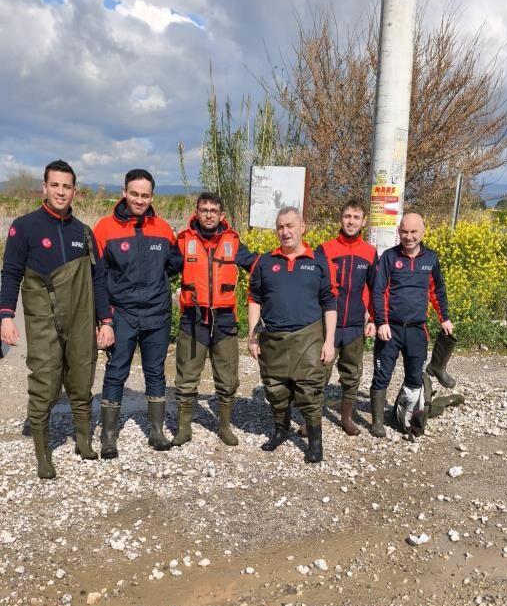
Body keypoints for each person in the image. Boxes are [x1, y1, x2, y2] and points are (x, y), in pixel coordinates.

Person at [0, 160, 114, 479]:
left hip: (80, 316)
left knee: (81, 376)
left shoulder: (84, 233)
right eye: (55, 185)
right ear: (44, 186)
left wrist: (105, 320)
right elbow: (10, 274)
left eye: (67, 186)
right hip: (42, 317)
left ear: (74, 191)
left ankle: (82, 441)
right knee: (45, 382)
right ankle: (42, 453)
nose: (61, 192)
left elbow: (99, 279)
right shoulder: (23, 227)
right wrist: (6, 316)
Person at [93, 169, 183, 458]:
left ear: (152, 196)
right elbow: (97, 276)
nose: (139, 200)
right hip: (122, 313)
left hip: (157, 312)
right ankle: (109, 436)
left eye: (145, 195)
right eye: (134, 193)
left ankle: (156, 431)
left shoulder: (164, 229)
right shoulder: (105, 228)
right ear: (124, 192)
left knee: (155, 371)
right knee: (116, 371)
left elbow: (174, 264)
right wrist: (104, 318)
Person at [248, 207, 337, 463]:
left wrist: (329, 341)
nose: (284, 232)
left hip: (308, 336)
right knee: (275, 390)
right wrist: (252, 336)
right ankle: (280, 430)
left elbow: (329, 302)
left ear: (302, 227)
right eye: (280, 227)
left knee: (310, 391)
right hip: (272, 338)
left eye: (289, 226)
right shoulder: (265, 262)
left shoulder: (318, 261)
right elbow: (254, 298)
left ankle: (316, 442)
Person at [172, 192, 257, 447]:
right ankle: (184, 428)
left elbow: (256, 265)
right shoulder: (183, 241)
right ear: (196, 212)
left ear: (222, 215)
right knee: (186, 376)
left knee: (227, 377)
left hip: (224, 319)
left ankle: (224, 426)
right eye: (204, 209)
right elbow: (161, 269)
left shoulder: (232, 240)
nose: (208, 214)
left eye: (213, 210)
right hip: (193, 318)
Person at [371, 212, 454, 438]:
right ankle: (377, 422)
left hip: (418, 329)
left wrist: (444, 317)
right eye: (404, 232)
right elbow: (378, 291)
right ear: (399, 232)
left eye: (413, 232)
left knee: (414, 375)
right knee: (381, 374)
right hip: (391, 328)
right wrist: (381, 322)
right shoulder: (388, 257)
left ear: (423, 232)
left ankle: (407, 418)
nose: (409, 236)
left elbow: (437, 291)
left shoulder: (431, 259)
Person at [316, 198, 377, 435]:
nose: (351, 221)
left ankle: (346, 418)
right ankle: (311, 419)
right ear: (340, 218)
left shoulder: (370, 253)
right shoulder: (325, 249)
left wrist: (373, 318)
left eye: (356, 217)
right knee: (319, 373)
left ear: (364, 221)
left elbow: (375, 289)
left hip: (353, 325)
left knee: (351, 374)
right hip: (326, 325)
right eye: (347, 216)